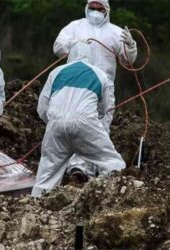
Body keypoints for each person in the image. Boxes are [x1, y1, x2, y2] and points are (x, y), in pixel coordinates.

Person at [53, 0, 137, 179]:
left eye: (100, 9)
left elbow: (128, 61)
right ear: (86, 8)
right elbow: (58, 47)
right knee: (79, 121)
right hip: (78, 85)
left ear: (107, 10)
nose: (96, 12)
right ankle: (78, 168)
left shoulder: (115, 32)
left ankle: (97, 170)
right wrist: (75, 43)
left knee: (101, 126)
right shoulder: (75, 27)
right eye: (92, 8)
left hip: (105, 85)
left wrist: (130, 45)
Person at [31, 42, 126, 197]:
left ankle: (35, 207)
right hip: (85, 123)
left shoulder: (56, 72)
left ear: (70, 55)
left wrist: (54, 123)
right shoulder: (100, 74)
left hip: (56, 124)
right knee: (111, 161)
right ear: (91, 56)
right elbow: (103, 110)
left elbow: (42, 107)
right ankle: (118, 196)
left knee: (46, 174)